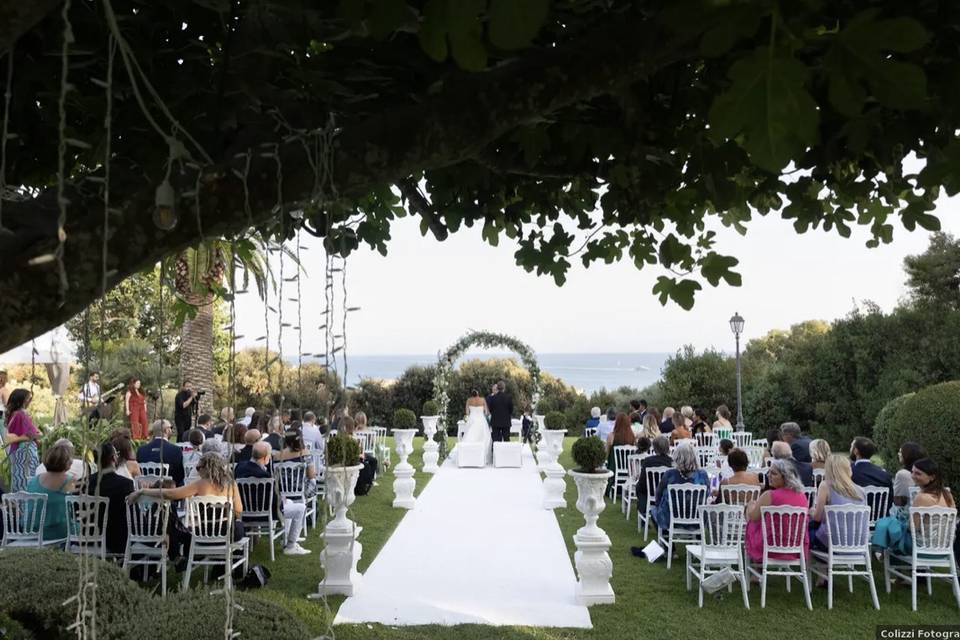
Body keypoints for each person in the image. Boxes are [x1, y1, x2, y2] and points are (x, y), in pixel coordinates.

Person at [127, 452, 244, 554]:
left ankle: (180, 555)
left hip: (204, 534)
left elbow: (171, 494)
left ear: (207, 468)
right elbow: (239, 511)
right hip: (230, 533)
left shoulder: (200, 484)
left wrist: (143, 491)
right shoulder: (231, 484)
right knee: (239, 526)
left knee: (178, 525)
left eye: (198, 468)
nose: (197, 471)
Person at [235, 441, 311, 555]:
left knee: (289, 501)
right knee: (301, 508)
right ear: (265, 457)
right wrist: (281, 502)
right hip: (265, 513)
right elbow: (274, 502)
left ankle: (286, 537)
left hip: (244, 512)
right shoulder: (264, 476)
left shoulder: (239, 467)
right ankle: (290, 545)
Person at [873, 457, 955, 555]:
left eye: (918, 473)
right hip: (945, 547)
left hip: (922, 548)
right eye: (912, 472)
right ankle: (880, 549)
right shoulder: (947, 494)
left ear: (932, 477)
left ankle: (879, 549)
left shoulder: (921, 497)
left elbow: (912, 528)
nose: (913, 476)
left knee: (887, 523)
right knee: (890, 523)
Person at [745, 459, 810, 563]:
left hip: (769, 547)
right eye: (769, 472)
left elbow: (753, 517)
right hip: (796, 547)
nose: (769, 476)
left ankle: (756, 569)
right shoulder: (802, 496)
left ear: (785, 477)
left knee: (751, 519)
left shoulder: (769, 495)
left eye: (774, 473)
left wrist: (750, 506)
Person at [809, 454, 866, 552]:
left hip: (832, 541)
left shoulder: (825, 486)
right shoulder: (861, 490)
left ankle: (805, 564)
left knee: (805, 531)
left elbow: (817, 517)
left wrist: (811, 512)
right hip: (856, 541)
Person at [86, 441, 135, 554]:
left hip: (87, 537)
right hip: (116, 540)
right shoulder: (125, 484)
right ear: (114, 458)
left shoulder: (84, 483)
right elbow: (131, 511)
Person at [652, 444, 709, 533]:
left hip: (671, 518)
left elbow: (658, 494)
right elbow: (707, 494)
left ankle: (667, 541)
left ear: (677, 457)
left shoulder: (670, 474)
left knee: (654, 511)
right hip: (697, 518)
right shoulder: (702, 475)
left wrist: (660, 505)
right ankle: (697, 538)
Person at [25, 442, 74, 542]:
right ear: (65, 461)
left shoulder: (34, 480)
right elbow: (76, 505)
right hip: (52, 531)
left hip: (29, 529)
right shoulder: (68, 480)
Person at [3, 389, 41, 491]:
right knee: (27, 480)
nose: (29, 401)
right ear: (21, 400)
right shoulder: (21, 414)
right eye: (28, 399)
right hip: (25, 452)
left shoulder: (12, 414)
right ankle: (26, 505)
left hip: (16, 451)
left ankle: (17, 503)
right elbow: (34, 434)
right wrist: (38, 435)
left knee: (18, 479)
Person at [136, 419, 185, 486]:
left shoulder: (141, 450)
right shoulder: (176, 450)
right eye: (171, 428)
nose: (171, 430)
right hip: (168, 492)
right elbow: (180, 477)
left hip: (146, 490)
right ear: (166, 430)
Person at [635, 435, 672, 510]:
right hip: (666, 494)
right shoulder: (672, 462)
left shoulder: (648, 461)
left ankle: (643, 506)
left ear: (654, 448)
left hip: (650, 493)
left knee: (638, 487)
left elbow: (642, 482)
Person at [892, 442, 926, 510]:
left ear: (908, 456)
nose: (898, 454)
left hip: (907, 514)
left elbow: (899, 502)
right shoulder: (927, 473)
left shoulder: (902, 474)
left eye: (900, 452)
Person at [461, 389, 491, 454]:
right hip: (481, 420)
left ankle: (469, 453)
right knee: (483, 437)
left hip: (472, 420)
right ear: (478, 394)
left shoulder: (469, 400)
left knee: (470, 436)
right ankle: (481, 453)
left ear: (472, 394)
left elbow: (467, 413)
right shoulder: (482, 400)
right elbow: (486, 412)